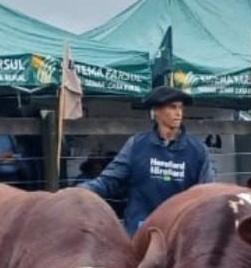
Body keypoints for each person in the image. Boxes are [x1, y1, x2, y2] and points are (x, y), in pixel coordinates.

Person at [78, 85, 215, 234]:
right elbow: (109, 180)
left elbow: (207, 195)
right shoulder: (137, 145)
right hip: (141, 231)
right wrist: (78, 193)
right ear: (156, 111)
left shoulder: (198, 150)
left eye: (181, 108)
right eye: (172, 107)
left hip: (179, 235)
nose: (178, 113)